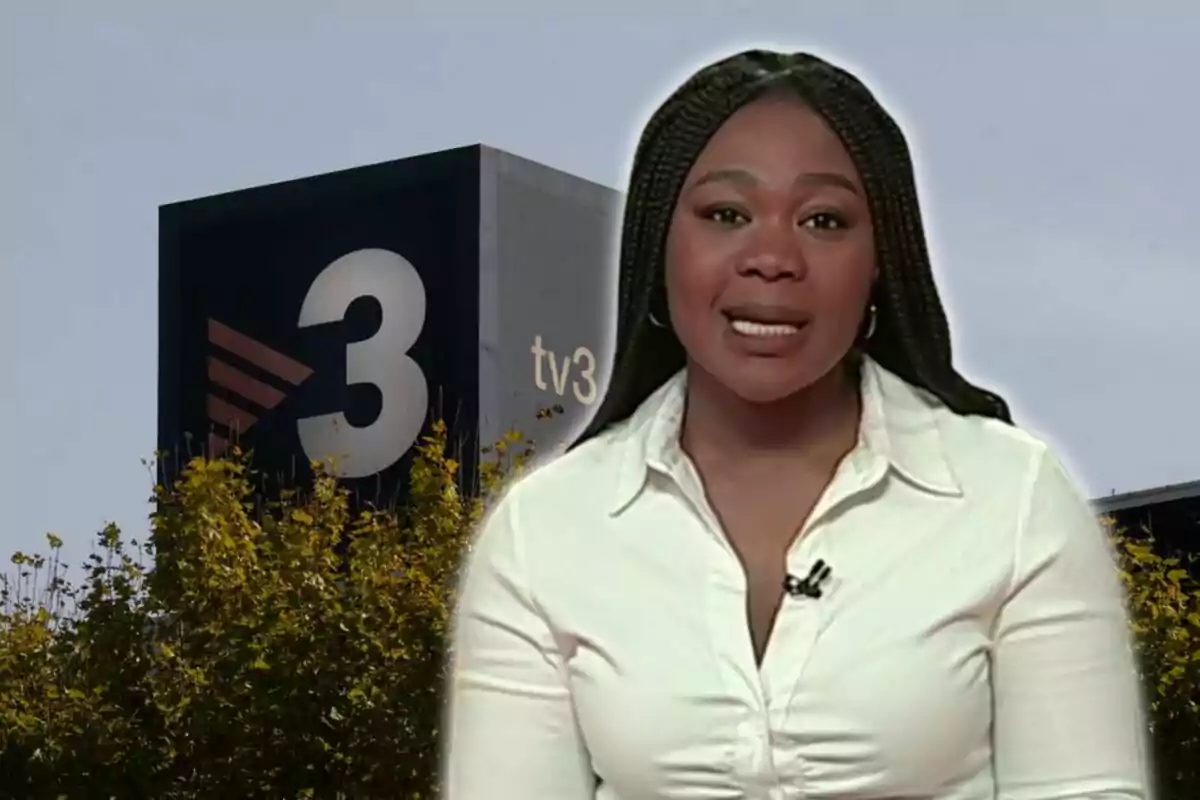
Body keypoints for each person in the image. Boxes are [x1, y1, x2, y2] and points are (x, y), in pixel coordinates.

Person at [442, 49, 1152, 800]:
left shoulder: (1012, 498)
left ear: (882, 259)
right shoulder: (544, 532)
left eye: (824, 220)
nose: (773, 258)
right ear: (658, 244)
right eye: (725, 215)